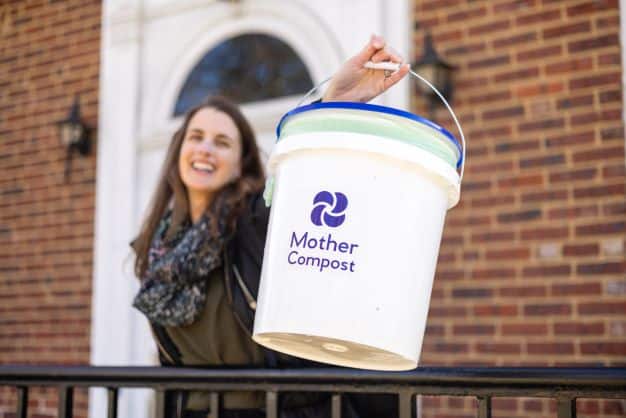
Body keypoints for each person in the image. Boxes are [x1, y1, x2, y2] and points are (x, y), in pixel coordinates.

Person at [131, 35, 410, 418]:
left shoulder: (256, 221)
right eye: (196, 137)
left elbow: (304, 178)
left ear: (241, 162)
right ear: (179, 151)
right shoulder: (157, 249)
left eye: (222, 142)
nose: (206, 150)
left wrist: (335, 104)